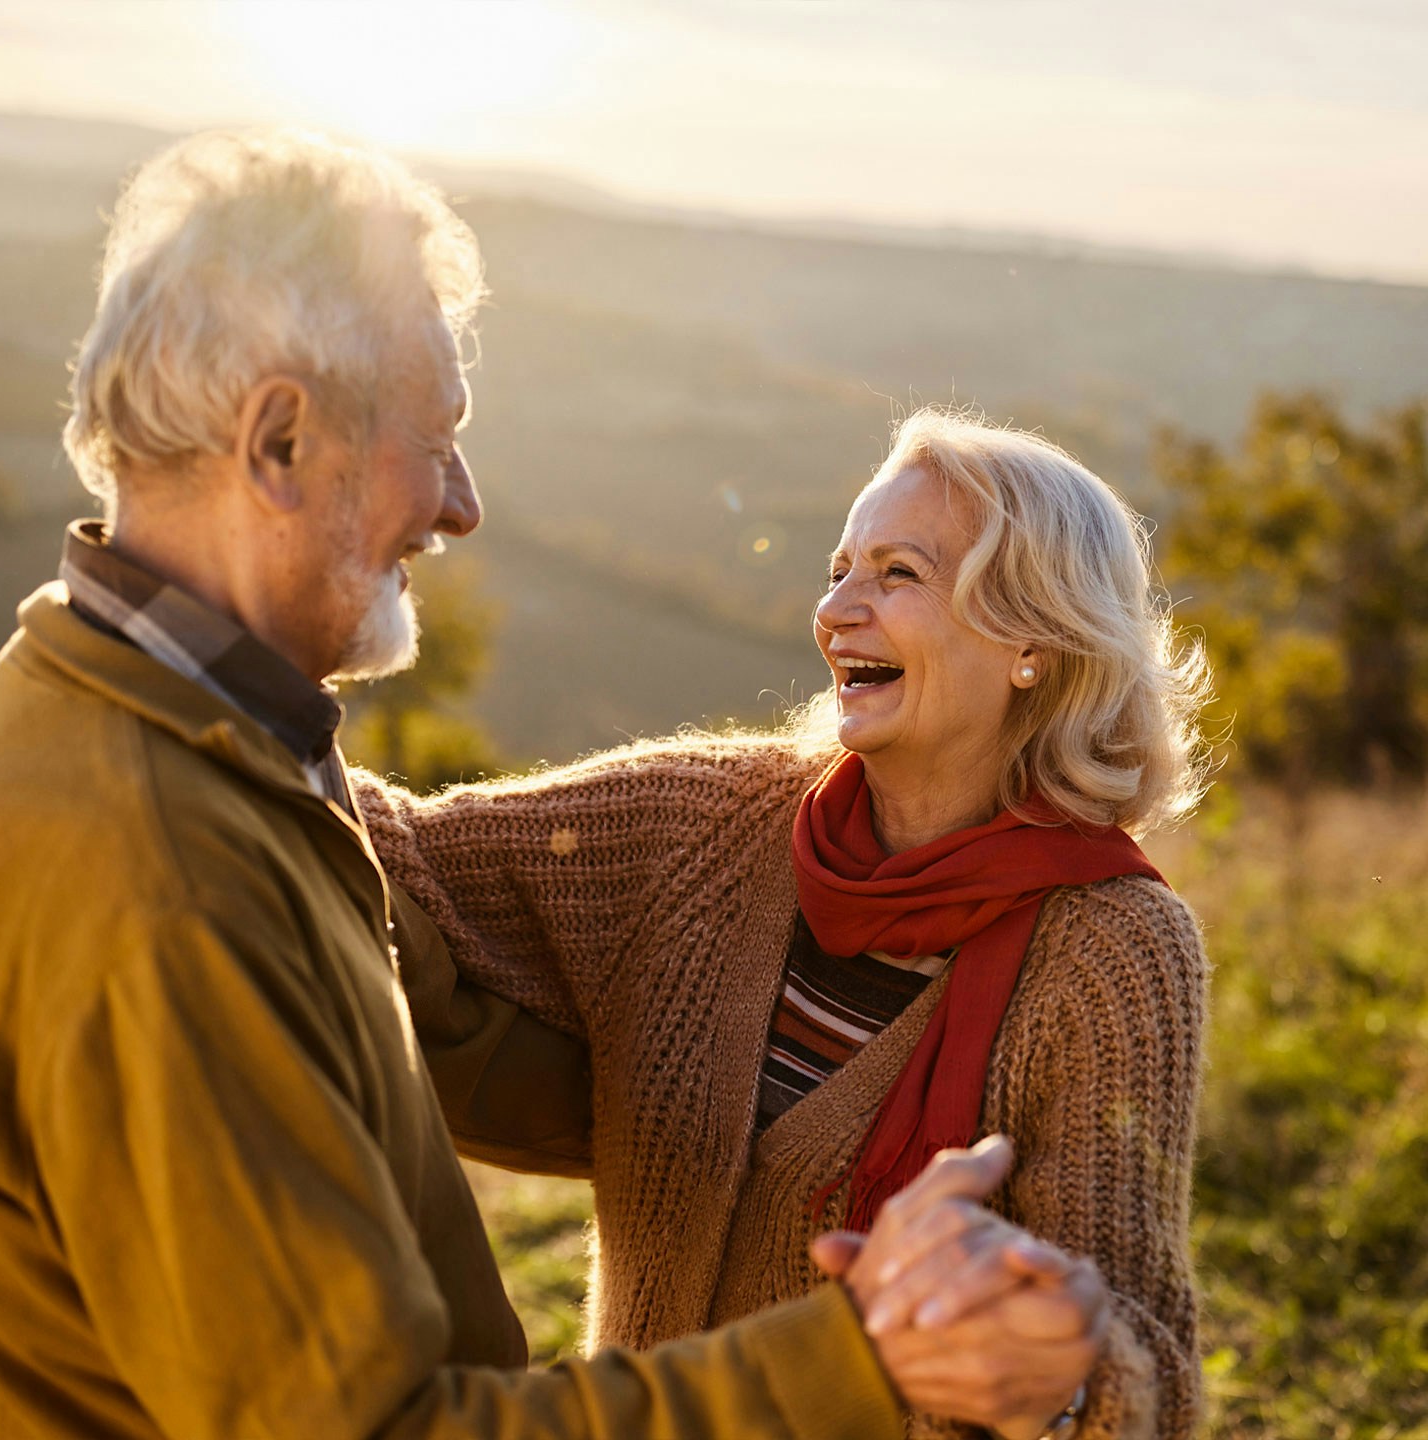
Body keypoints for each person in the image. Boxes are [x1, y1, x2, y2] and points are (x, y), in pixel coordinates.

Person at [0, 130, 1094, 1440]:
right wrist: (866, 1366)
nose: (460, 505)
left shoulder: (171, 731)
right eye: (436, 436)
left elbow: (399, 1060)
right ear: (280, 439)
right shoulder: (166, 881)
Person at [358, 409, 1213, 1439]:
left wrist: (1056, 1372)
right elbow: (392, 856)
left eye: (899, 574)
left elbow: (1147, 1357)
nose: (839, 610)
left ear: (1032, 639)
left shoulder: (1113, 951)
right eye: (838, 568)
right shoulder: (708, 827)